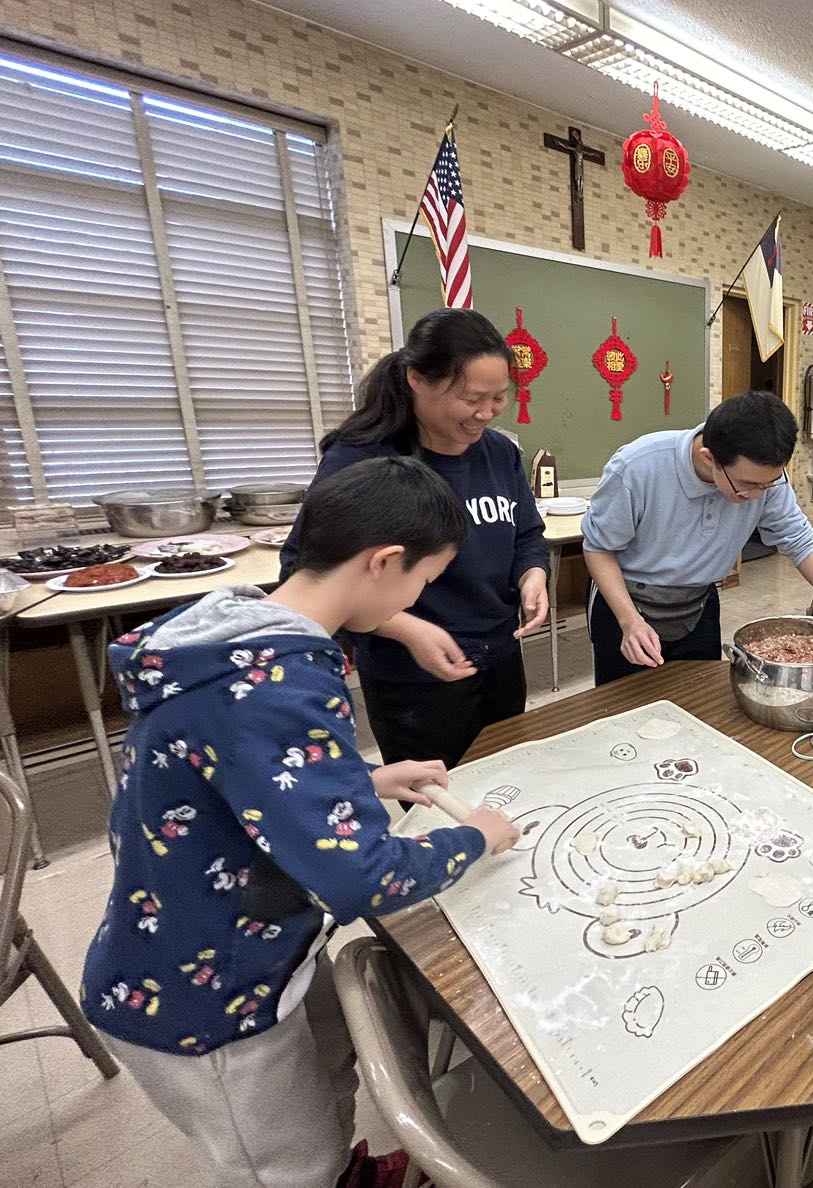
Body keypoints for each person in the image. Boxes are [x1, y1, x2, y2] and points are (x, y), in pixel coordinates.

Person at [82, 456, 523, 1188]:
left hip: (242, 933)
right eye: (423, 581)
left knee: (322, 1081)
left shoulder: (240, 633)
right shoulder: (276, 685)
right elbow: (363, 879)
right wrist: (476, 835)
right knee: (280, 1165)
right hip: (206, 995)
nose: (422, 599)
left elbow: (236, 779)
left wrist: (362, 781)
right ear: (384, 563)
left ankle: (338, 1164)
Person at [282, 308, 549, 769]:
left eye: (499, 398)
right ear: (417, 381)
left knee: (507, 778)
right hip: (413, 673)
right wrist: (406, 628)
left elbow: (526, 532)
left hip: (499, 653)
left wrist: (533, 575)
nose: (485, 413)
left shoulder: (500, 453)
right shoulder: (364, 461)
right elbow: (304, 572)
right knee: (436, 801)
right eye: (470, 399)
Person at [582, 390, 813, 685]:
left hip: (698, 604)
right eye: (746, 485)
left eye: (769, 484)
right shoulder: (637, 467)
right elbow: (597, 548)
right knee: (622, 706)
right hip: (626, 602)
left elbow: (800, 544)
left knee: (698, 702)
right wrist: (629, 621)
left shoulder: (765, 482)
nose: (757, 495)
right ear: (709, 458)